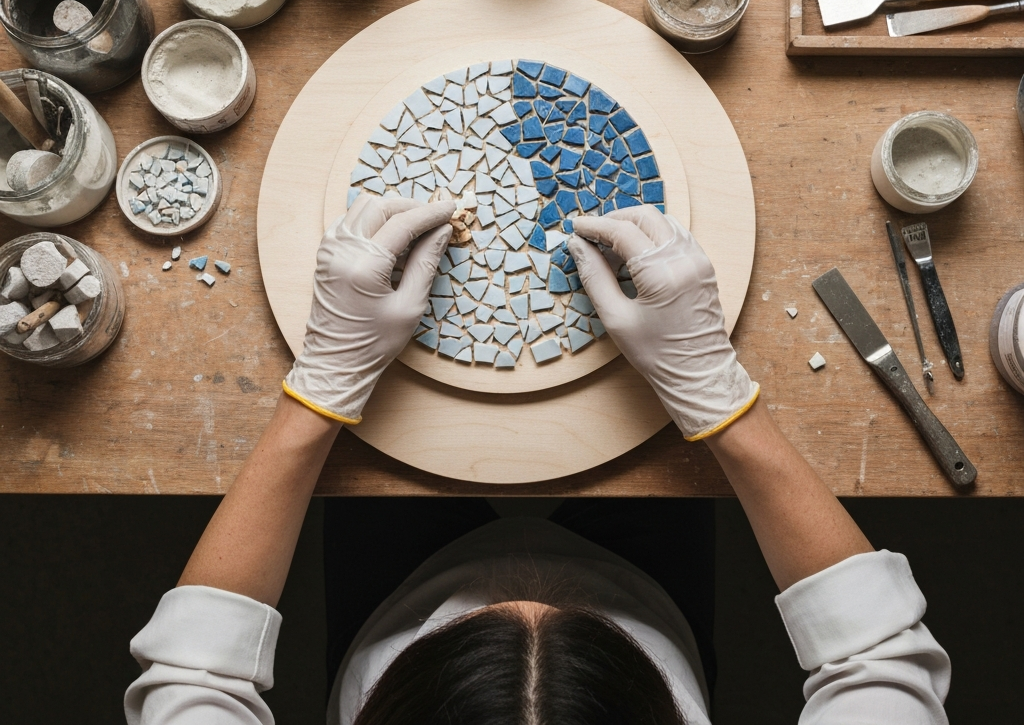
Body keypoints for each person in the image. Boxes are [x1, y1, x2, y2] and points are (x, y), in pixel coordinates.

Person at [124, 197, 951, 725]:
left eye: (461, 630)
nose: (527, 577)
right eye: (593, 633)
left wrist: (320, 392)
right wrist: (715, 397)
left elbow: (192, 678)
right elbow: (878, 660)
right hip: (652, 579)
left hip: (393, 579)